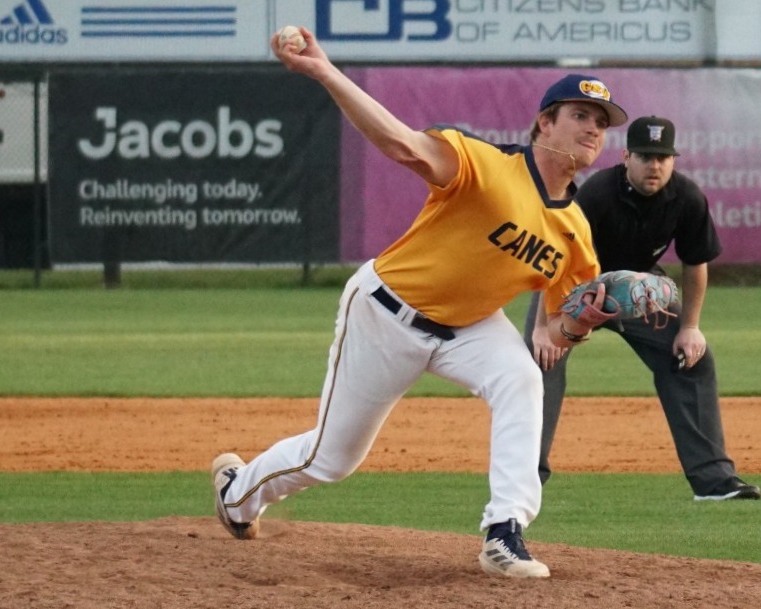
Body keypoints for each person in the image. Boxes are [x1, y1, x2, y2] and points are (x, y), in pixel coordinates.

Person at [211, 26, 628, 579]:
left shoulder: (575, 233)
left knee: (523, 379)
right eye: (580, 115)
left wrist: (581, 325)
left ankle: (505, 531)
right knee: (332, 459)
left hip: (472, 327)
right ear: (544, 123)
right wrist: (324, 70)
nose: (592, 129)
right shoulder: (484, 165)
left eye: (601, 123)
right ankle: (238, 494)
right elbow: (401, 145)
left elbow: (552, 333)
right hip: (387, 311)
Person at [524, 116, 761, 501]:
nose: (655, 166)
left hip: (638, 292)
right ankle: (526, 477)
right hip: (578, 287)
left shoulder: (686, 197)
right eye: (646, 157)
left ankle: (714, 481)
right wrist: (542, 327)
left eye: (663, 157)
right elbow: (558, 257)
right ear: (626, 157)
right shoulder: (597, 194)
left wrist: (690, 327)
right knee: (539, 364)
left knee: (692, 360)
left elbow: (695, 263)